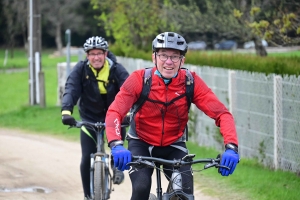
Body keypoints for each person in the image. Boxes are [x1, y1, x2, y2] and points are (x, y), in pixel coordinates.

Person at [105, 32, 240, 200]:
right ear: (154, 57)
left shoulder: (191, 82)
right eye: (163, 55)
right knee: (141, 188)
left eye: (175, 56)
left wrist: (232, 147)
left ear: (182, 60)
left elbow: (222, 114)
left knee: (185, 194)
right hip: (141, 143)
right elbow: (114, 112)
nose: (168, 62)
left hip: (174, 146)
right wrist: (116, 144)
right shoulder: (139, 80)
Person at [61, 36, 129, 200]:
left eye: (99, 53)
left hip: (114, 118)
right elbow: (71, 89)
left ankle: (116, 166)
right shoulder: (80, 70)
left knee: (117, 148)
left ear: (106, 54)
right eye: (92, 54)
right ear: (87, 56)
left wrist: (127, 113)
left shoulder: (116, 70)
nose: (96, 57)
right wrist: (66, 111)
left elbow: (128, 91)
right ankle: (87, 196)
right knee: (86, 156)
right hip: (89, 117)